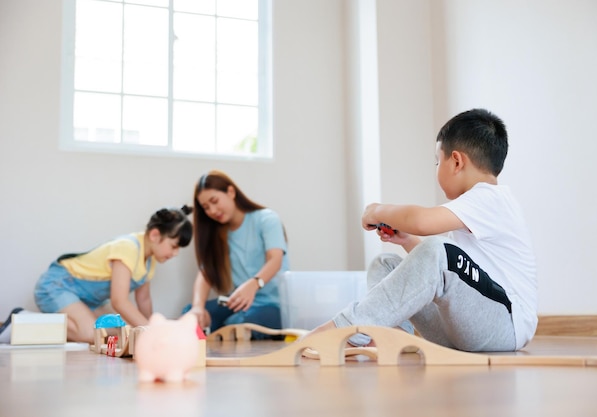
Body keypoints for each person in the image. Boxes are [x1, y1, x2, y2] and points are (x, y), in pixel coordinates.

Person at [307, 108, 537, 352]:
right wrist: (407, 241)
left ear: (456, 162)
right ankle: (394, 337)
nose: (437, 167)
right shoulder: (473, 208)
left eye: (438, 161)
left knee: (439, 249)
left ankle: (348, 328)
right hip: (467, 325)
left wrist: (376, 211)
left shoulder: (491, 199)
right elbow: (444, 273)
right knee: (385, 264)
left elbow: (423, 224)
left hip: (504, 326)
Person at [33, 206, 193, 343]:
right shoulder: (128, 248)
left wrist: (152, 326)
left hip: (89, 301)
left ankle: (74, 320)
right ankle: (27, 323)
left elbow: (143, 300)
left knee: (124, 330)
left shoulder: (150, 261)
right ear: (154, 235)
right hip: (58, 285)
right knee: (93, 333)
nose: (176, 253)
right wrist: (149, 331)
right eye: (173, 246)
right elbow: (119, 301)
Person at [183, 170, 289, 339]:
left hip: (272, 305)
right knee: (190, 315)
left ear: (231, 192)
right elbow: (205, 274)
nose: (212, 210)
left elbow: (275, 260)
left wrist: (254, 284)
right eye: (206, 207)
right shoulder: (218, 233)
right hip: (236, 303)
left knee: (240, 323)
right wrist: (198, 307)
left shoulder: (267, 219)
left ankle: (225, 333)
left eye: (214, 201)